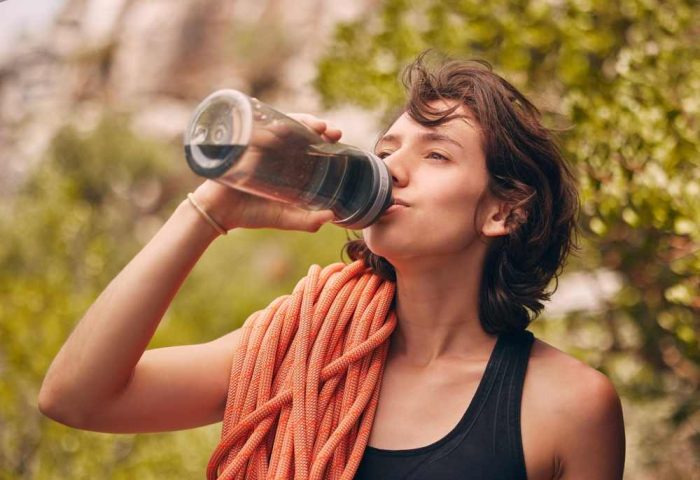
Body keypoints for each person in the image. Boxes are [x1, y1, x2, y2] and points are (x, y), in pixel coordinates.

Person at [39, 52, 625, 479]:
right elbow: (76, 397)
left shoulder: (569, 407)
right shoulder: (300, 353)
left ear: (504, 211)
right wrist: (209, 211)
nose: (392, 168)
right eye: (388, 149)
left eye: (437, 154)